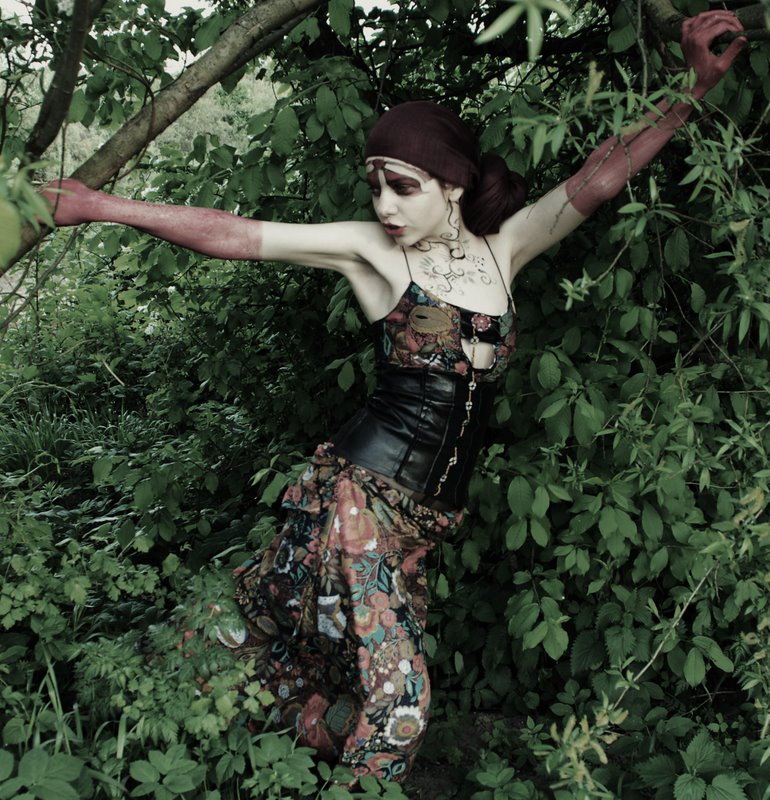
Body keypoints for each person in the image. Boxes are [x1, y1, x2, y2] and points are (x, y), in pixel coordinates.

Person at [44, 10, 745, 785]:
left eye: (403, 188)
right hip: (360, 499)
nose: (384, 206)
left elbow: (600, 176)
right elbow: (235, 233)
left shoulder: (505, 249)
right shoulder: (372, 253)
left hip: (424, 518)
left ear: (453, 185)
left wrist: (690, 88)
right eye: (375, 185)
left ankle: (161, 703)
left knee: (280, 629)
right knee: (399, 696)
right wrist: (102, 206)